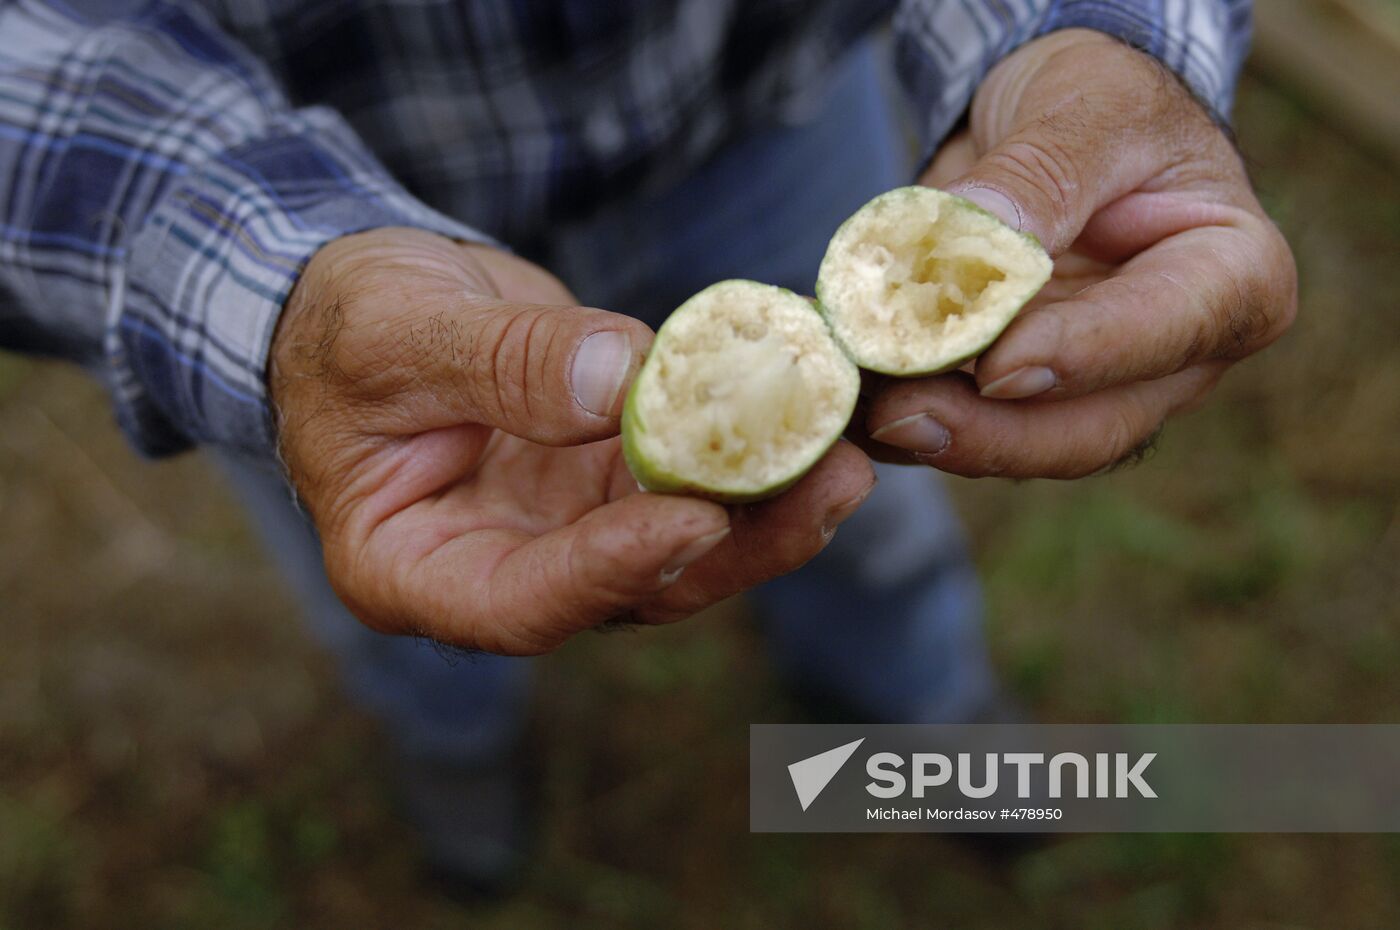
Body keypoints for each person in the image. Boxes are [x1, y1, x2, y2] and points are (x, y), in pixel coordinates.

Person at [0, 0, 1294, 892]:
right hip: (297, 224)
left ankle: (927, 720)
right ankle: (458, 761)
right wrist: (261, 286)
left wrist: (1096, 36)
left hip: (754, 122)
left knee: (875, 509)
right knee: (411, 585)